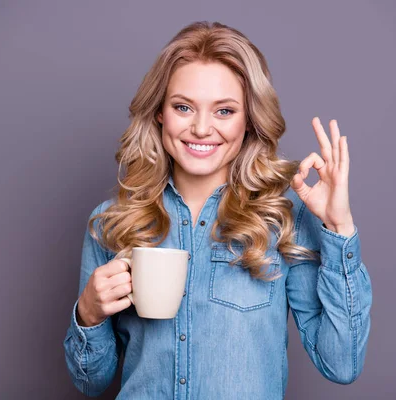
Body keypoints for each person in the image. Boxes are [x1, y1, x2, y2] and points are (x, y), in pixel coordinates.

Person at [63, 20, 372, 399]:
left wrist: (339, 228)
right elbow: (89, 382)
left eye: (224, 111)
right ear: (160, 111)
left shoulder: (282, 217)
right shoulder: (112, 221)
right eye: (183, 107)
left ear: (249, 120)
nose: (201, 128)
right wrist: (88, 316)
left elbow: (341, 363)